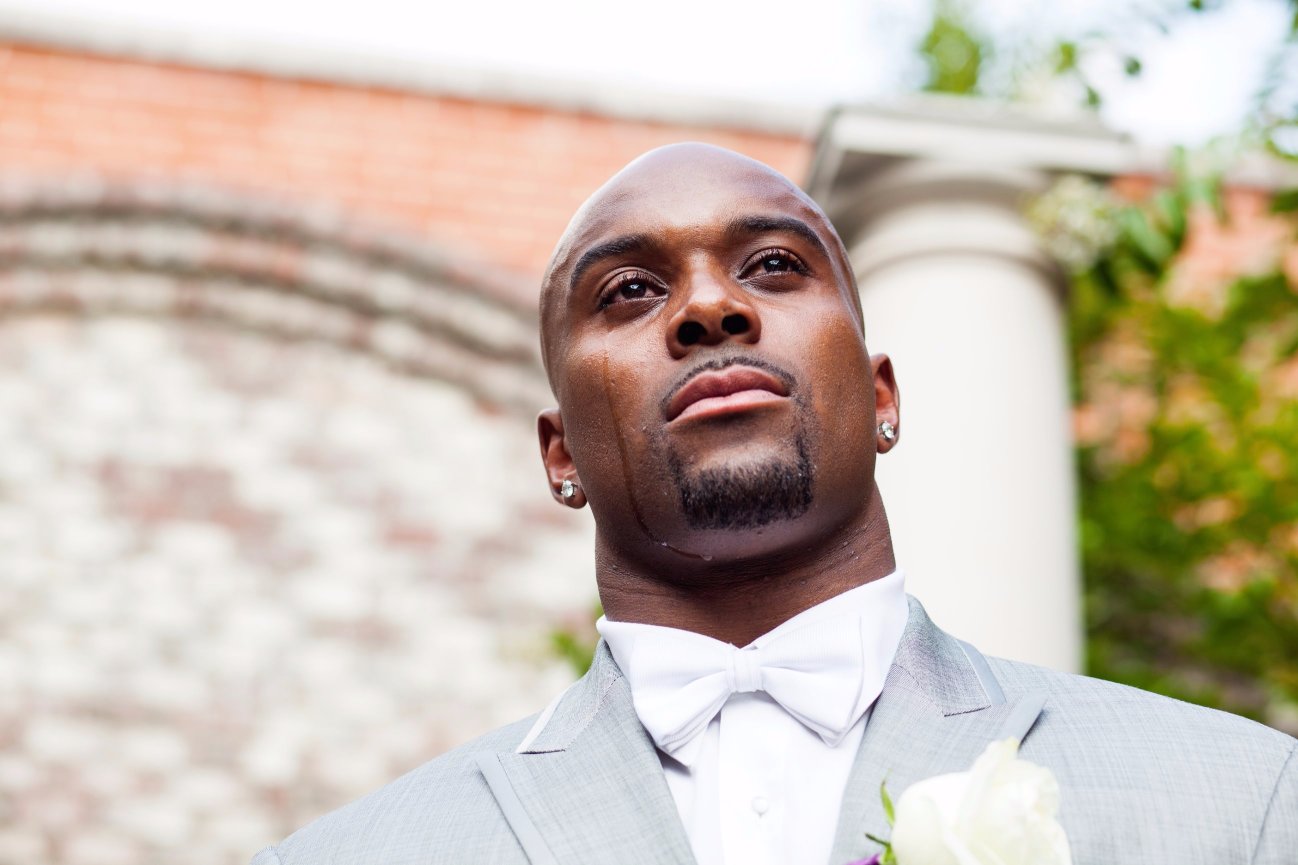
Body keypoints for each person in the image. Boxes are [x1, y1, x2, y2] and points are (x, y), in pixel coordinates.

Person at [252, 144, 1297, 865]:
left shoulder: (1243, 802)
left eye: (772, 265)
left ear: (882, 398)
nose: (710, 306)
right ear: (559, 454)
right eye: (628, 290)